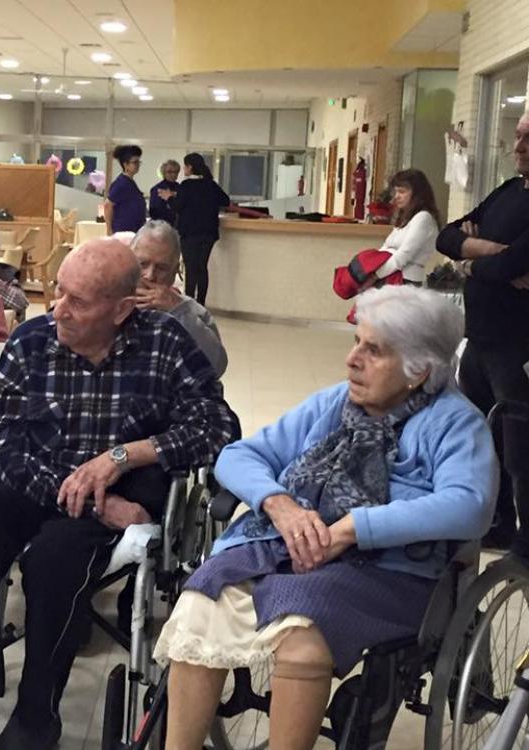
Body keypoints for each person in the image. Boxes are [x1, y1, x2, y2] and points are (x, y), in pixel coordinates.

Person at [0, 238, 240, 750]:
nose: (58, 309)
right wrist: (87, 496)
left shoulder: (164, 344)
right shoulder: (31, 342)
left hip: (115, 501)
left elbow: (218, 427)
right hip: (49, 486)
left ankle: (36, 716)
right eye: (59, 292)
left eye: (77, 301)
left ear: (122, 310)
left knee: (55, 555)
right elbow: (7, 446)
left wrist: (124, 456)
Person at [154, 285, 498, 750]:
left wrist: (354, 528)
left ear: (419, 371)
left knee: (302, 636)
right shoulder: (335, 403)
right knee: (201, 602)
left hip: (388, 568)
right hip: (288, 543)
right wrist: (280, 504)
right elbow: (239, 455)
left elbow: (469, 505)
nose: (352, 360)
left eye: (373, 350)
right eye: (356, 342)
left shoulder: (454, 422)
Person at [436, 112, 529, 550]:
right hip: (479, 340)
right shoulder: (509, 190)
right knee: (480, 438)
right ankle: (496, 523)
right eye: (518, 136)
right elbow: (446, 236)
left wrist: (473, 261)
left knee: (520, 448)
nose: (519, 147)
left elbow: (514, 265)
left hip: (518, 346)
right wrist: (489, 253)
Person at [131, 220, 228, 378]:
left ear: (175, 271)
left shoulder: (192, 311)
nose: (150, 275)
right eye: (143, 264)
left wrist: (179, 311)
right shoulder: (109, 303)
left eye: (161, 268)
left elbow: (216, 367)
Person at [366, 169, 440, 287]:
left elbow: (405, 254)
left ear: (417, 194)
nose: (396, 197)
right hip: (390, 276)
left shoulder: (423, 218)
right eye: (395, 192)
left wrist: (375, 275)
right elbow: (387, 246)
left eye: (401, 192)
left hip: (406, 280)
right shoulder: (406, 218)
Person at [174, 152, 230, 305]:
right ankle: (201, 303)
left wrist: (170, 197)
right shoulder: (210, 184)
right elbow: (225, 200)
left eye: (185, 166)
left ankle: (189, 302)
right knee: (202, 267)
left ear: (190, 167)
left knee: (191, 268)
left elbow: (177, 207)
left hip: (190, 233)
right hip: (208, 233)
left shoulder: (186, 186)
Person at [105, 144, 146, 234]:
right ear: (125, 164)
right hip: (123, 231)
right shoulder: (121, 183)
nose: (138, 165)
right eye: (135, 162)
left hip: (132, 230)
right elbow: (108, 205)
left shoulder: (130, 182)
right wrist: (109, 230)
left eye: (138, 162)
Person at [149, 159, 181, 225]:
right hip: (163, 224)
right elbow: (154, 212)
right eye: (169, 172)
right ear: (164, 173)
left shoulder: (180, 187)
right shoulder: (157, 189)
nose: (173, 174)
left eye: (176, 172)